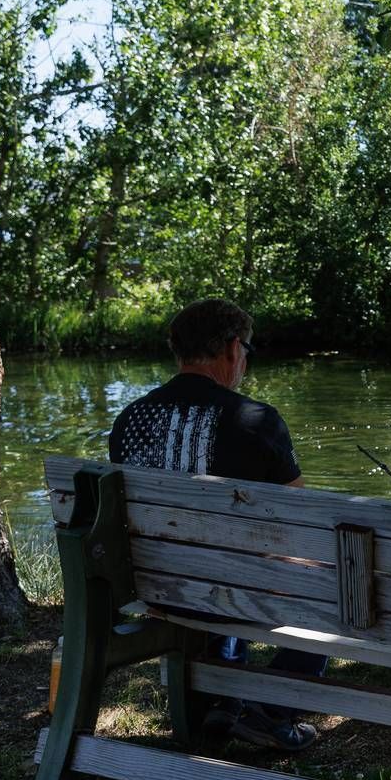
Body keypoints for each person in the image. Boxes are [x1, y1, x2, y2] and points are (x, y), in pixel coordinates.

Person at [108, 298, 323, 751]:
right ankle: (272, 712)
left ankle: (222, 702)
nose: (245, 360)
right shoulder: (256, 421)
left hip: (152, 585)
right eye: (246, 349)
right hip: (231, 590)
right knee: (325, 573)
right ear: (230, 348)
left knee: (216, 559)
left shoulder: (129, 420)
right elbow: (303, 519)